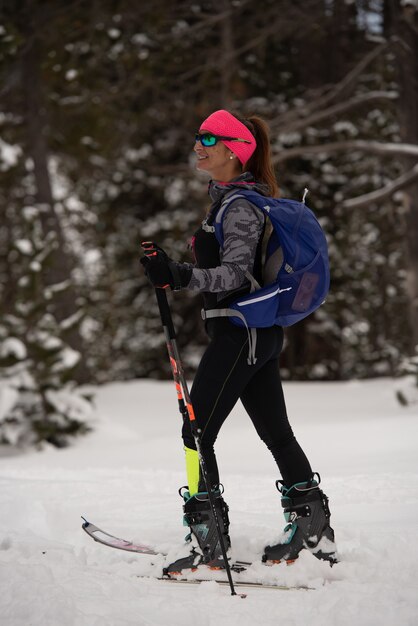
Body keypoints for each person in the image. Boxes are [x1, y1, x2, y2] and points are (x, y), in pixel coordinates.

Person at [140, 109, 337, 575]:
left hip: (240, 335)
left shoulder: (241, 206)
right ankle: (311, 530)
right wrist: (171, 271)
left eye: (207, 139)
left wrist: (181, 274)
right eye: (197, 137)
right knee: (275, 433)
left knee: (197, 431)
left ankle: (209, 540)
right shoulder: (229, 202)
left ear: (233, 149)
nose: (197, 146)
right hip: (254, 335)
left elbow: (236, 273)